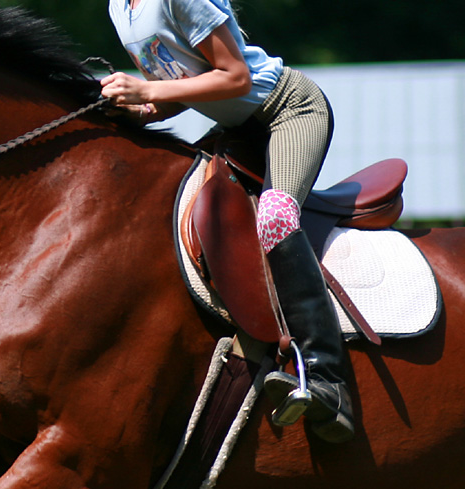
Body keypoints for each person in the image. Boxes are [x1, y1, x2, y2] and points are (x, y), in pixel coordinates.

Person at [101, 0, 354, 444]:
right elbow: (182, 88)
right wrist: (136, 109)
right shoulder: (118, 8)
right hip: (239, 129)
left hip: (287, 110)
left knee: (275, 217)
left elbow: (235, 76)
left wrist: (146, 92)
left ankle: (326, 379)